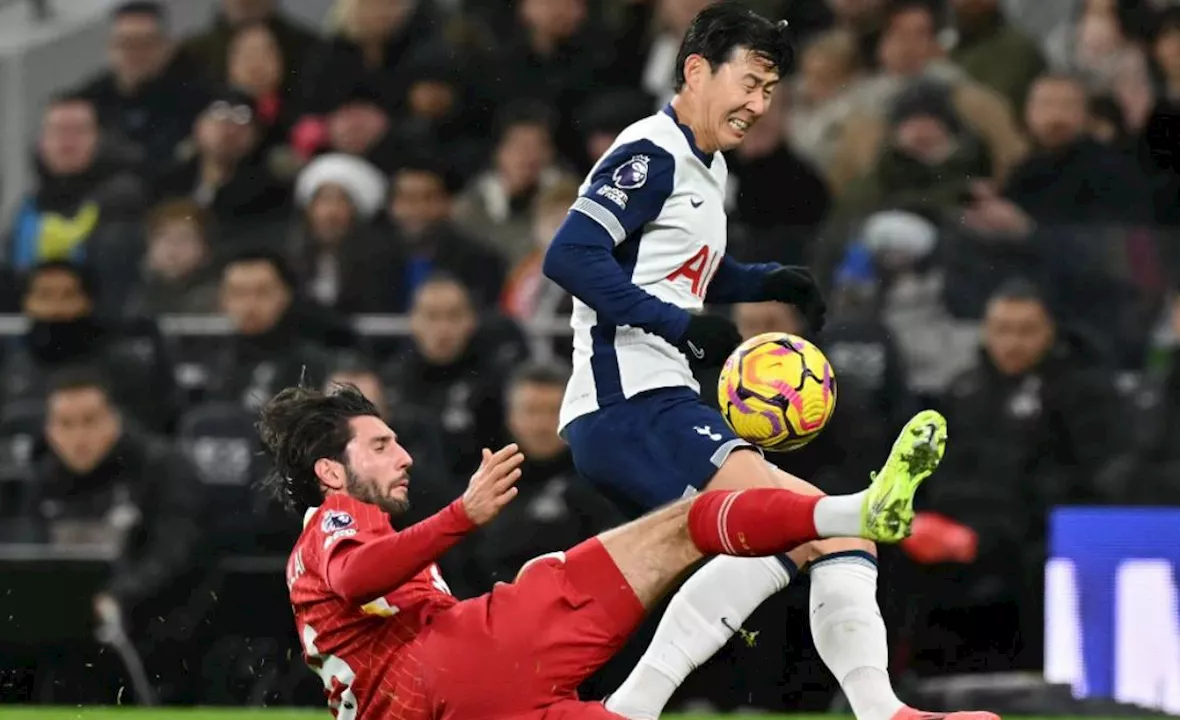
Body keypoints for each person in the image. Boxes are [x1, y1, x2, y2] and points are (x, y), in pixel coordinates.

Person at [541, 5, 996, 720]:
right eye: (749, 83)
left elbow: (677, 269)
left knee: (815, 538)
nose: (758, 105)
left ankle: (874, 709)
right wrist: (679, 328)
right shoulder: (649, 154)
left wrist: (760, 281)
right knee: (802, 524)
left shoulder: (705, 165)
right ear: (695, 69)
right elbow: (569, 255)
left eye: (770, 92)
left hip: (657, 403)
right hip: (627, 403)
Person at [266, 384, 948, 720]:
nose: (404, 456)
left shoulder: (309, 555)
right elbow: (356, 576)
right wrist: (461, 514)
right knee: (686, 525)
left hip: (444, 704)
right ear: (331, 471)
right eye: (381, 445)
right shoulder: (338, 515)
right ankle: (857, 512)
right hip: (458, 666)